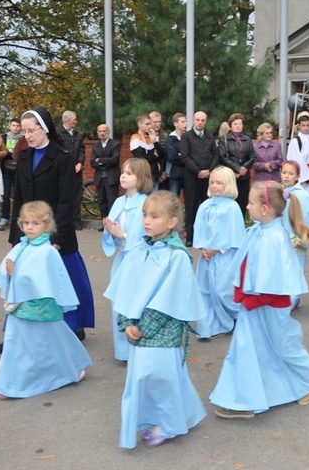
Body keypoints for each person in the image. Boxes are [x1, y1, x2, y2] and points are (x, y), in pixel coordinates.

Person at [104, 191, 207, 448]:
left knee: (160, 378)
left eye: (154, 216)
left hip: (161, 330)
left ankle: (170, 424)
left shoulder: (177, 256)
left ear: (172, 222)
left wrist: (142, 327)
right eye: (144, 216)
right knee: (146, 377)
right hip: (137, 328)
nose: (146, 221)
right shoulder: (141, 248)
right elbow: (127, 287)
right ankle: (162, 417)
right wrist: (126, 321)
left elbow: (170, 299)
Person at [210, 181, 309, 418]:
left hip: (268, 304)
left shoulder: (276, 238)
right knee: (247, 349)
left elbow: (277, 280)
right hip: (252, 303)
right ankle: (244, 399)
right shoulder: (258, 231)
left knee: (283, 346)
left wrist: (253, 299)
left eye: (251, 202)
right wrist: (242, 295)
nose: (247, 206)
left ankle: (308, 380)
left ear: (266, 208)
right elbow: (246, 267)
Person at [2, 107, 95, 348]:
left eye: (31, 130)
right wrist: (15, 236)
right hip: (29, 234)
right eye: (24, 132)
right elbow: (19, 200)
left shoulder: (62, 157)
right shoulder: (23, 157)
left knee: (63, 284)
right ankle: (18, 333)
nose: (27, 136)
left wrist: (57, 238)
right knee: (25, 283)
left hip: (57, 235)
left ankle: (72, 328)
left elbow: (67, 201)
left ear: (44, 128)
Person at [0, 201, 91, 399]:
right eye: (26, 223)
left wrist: (16, 273)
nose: (30, 227)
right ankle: (10, 385)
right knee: (18, 344)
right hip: (19, 306)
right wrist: (11, 274)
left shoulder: (48, 252)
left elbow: (46, 280)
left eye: (36, 223)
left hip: (40, 308)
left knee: (51, 339)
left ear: (47, 226)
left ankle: (70, 369)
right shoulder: (21, 246)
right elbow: (9, 271)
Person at [101, 158, 153, 361]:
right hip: (122, 260)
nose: (123, 176)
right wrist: (111, 233)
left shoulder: (146, 204)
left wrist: (122, 235)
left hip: (139, 261)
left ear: (141, 178)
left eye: (129, 173)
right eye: (123, 172)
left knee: (137, 301)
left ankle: (139, 344)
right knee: (119, 302)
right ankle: (123, 351)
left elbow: (146, 238)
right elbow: (112, 236)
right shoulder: (118, 202)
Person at [193, 167, 246, 338]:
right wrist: (203, 248)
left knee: (223, 291)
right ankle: (208, 327)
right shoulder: (206, 205)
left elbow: (234, 233)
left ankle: (236, 317)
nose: (214, 186)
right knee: (205, 291)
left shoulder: (232, 207)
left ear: (228, 184)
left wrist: (216, 249)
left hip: (224, 257)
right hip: (206, 257)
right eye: (212, 182)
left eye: (219, 183)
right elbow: (199, 228)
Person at [280, 160, 309, 308]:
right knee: (282, 270)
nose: (286, 176)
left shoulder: (302, 196)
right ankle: (285, 298)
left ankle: (293, 297)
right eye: (284, 172)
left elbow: (307, 218)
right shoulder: (280, 193)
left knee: (295, 270)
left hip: (296, 238)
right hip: (282, 238)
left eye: (291, 173)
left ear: (297, 176)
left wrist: (301, 238)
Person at [180, 110, 219, 246]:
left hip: (208, 177)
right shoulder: (187, 136)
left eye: (203, 120)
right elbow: (185, 156)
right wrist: (198, 171)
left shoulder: (209, 136)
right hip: (192, 176)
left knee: (207, 207)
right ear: (193, 121)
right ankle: (190, 237)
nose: (200, 122)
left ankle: (205, 236)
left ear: (206, 121)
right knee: (191, 206)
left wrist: (209, 170)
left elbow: (215, 155)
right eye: (198, 120)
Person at [219, 113, 257, 216]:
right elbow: (222, 156)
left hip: (244, 176)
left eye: (240, 124)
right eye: (235, 124)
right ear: (230, 126)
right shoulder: (224, 139)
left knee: (242, 204)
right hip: (230, 176)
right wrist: (236, 168)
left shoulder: (247, 139)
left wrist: (244, 168)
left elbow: (252, 156)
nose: (238, 126)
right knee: (229, 203)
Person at [57, 111, 86, 229]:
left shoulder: (78, 134)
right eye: (74, 119)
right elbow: (57, 150)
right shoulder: (58, 133)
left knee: (77, 196)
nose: (76, 121)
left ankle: (75, 221)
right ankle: (63, 220)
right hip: (63, 171)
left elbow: (82, 150)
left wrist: (80, 163)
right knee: (63, 196)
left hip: (76, 171)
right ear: (67, 119)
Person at [90, 124, 121, 219]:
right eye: (100, 131)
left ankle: (112, 222)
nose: (102, 133)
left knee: (112, 201)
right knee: (102, 201)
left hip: (111, 177)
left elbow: (114, 160)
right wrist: (105, 161)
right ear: (97, 132)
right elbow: (92, 163)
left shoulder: (115, 144)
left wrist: (100, 160)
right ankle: (105, 223)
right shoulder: (96, 146)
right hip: (100, 178)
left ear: (108, 132)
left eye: (104, 131)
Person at [130, 113, 164, 192]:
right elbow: (141, 158)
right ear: (139, 124)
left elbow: (162, 154)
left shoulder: (150, 137)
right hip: (143, 176)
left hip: (154, 175)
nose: (150, 126)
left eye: (150, 124)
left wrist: (154, 141)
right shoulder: (135, 138)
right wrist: (155, 157)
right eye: (147, 124)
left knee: (153, 202)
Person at [0, 118, 22, 228]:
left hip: (18, 169)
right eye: (13, 125)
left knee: (18, 193)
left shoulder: (23, 138)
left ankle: (17, 217)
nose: (15, 128)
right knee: (6, 194)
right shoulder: (4, 137)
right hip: (6, 169)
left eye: (17, 126)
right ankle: (4, 217)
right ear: (9, 126)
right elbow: (2, 151)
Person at [165, 113, 187, 199]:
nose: (185, 124)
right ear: (175, 124)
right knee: (173, 200)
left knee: (189, 200)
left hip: (187, 174)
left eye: (186, 121)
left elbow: (193, 154)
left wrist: (181, 155)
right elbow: (172, 157)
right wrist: (186, 157)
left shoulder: (188, 137)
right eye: (182, 122)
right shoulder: (170, 139)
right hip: (174, 175)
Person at [149, 111, 168, 190]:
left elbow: (166, 155)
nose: (157, 124)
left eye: (159, 122)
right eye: (155, 122)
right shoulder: (145, 135)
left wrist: (164, 171)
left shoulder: (164, 136)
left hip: (161, 168)